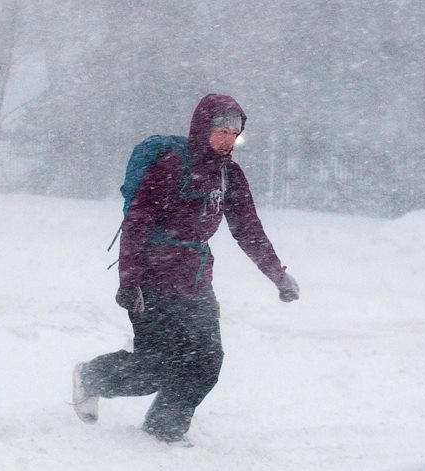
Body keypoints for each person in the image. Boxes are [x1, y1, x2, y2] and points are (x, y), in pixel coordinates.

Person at [72, 93, 299, 443]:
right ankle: (92, 377)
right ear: (202, 128)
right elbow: (137, 222)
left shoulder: (229, 175)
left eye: (233, 132)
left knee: (206, 363)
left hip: (196, 282)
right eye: (220, 130)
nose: (227, 138)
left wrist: (277, 274)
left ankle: (164, 432)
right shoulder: (172, 166)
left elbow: (247, 228)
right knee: (154, 367)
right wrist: (129, 281)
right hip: (153, 279)